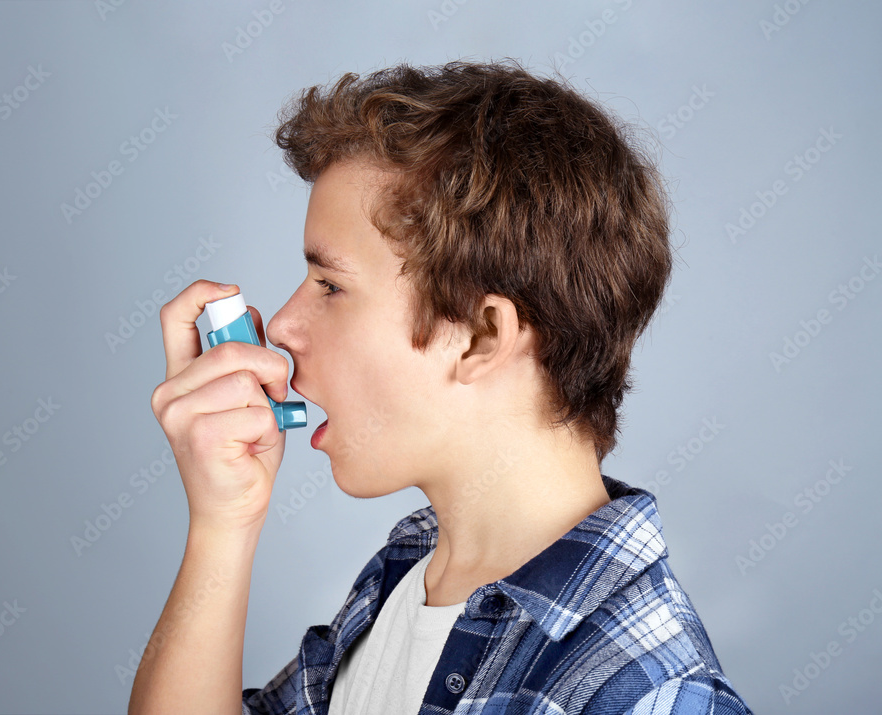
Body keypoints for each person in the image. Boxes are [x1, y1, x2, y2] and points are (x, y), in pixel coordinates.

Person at [129, 59, 752, 714]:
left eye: (331, 285)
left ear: (483, 336)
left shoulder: (648, 692)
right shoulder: (403, 577)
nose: (281, 325)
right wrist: (223, 522)